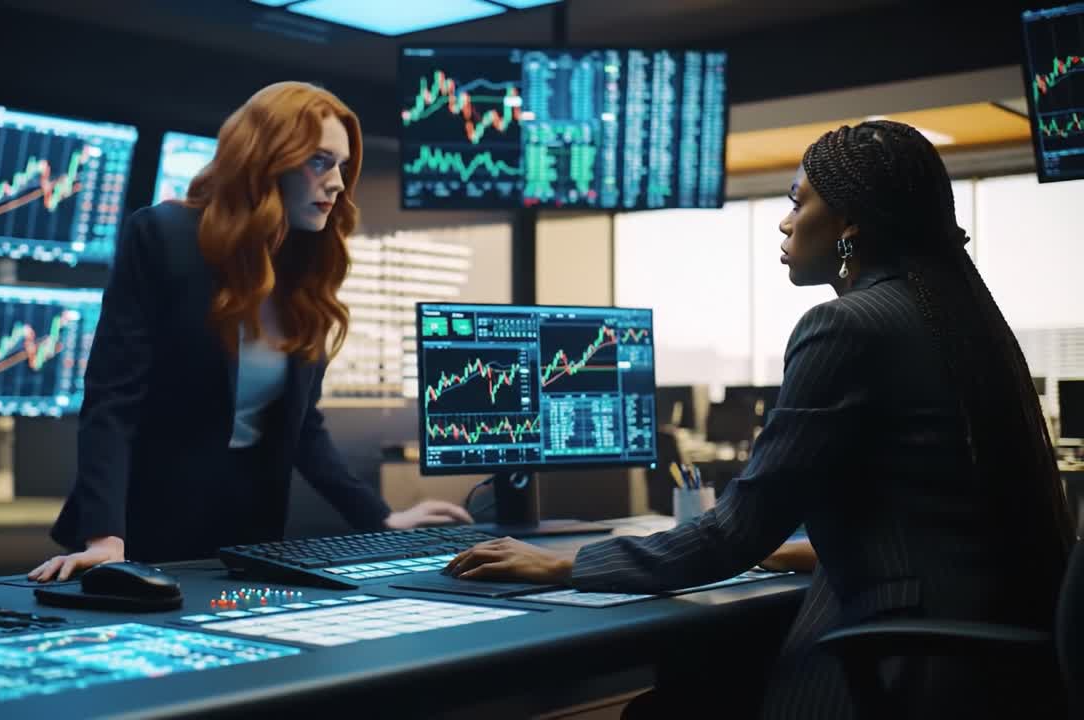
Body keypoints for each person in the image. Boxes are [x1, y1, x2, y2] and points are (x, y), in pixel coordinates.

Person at [445, 120, 1074, 718]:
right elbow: (940, 509)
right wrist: (813, 549)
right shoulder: (958, 316)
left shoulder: (845, 326)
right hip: (989, 670)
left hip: (903, 667)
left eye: (798, 202)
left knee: (673, 707)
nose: (784, 220)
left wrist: (565, 564)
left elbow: (735, 532)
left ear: (849, 221)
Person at [31, 81, 471, 583]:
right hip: (143, 532)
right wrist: (105, 538)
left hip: (250, 538)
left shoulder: (305, 267)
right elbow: (113, 402)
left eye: (343, 166)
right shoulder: (163, 236)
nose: (337, 184)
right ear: (266, 158)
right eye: (320, 162)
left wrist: (379, 516)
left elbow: (303, 428)